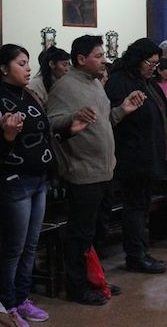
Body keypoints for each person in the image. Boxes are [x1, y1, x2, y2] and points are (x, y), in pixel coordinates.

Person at [48, 35, 141, 305]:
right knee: (81, 233)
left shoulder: (95, 84)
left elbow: (104, 121)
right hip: (83, 171)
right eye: (98, 56)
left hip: (104, 170)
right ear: (81, 59)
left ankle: (94, 278)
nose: (104, 60)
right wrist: (73, 118)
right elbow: (51, 123)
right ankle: (77, 287)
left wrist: (123, 110)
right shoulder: (65, 87)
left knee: (99, 231)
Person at [0, 44, 66, 327]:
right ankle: (7, 305)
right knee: (13, 247)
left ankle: (22, 298)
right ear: (3, 69)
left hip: (38, 178)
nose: (28, 68)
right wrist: (6, 135)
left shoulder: (28, 95)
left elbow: (42, 133)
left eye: (28, 63)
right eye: (21, 63)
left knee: (30, 245)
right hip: (13, 181)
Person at [106, 38, 167, 274]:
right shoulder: (120, 82)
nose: (154, 67)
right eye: (150, 63)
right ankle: (135, 256)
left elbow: (162, 110)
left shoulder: (148, 82)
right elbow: (114, 118)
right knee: (134, 208)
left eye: (156, 63)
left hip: (149, 155)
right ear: (137, 59)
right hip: (133, 158)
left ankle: (141, 251)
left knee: (142, 207)